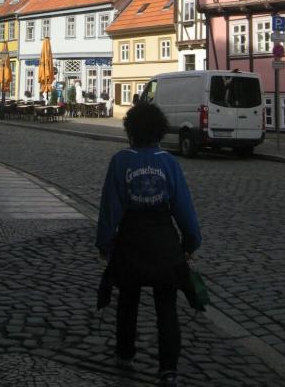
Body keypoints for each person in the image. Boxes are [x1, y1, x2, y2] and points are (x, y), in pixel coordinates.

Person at [96, 102, 201, 387]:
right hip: (164, 241)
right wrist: (191, 242)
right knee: (166, 306)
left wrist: (105, 244)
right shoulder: (168, 162)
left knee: (127, 301)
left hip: (130, 241)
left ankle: (125, 352)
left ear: (130, 130)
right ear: (159, 130)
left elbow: (110, 208)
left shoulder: (121, 161)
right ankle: (168, 369)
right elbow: (184, 207)